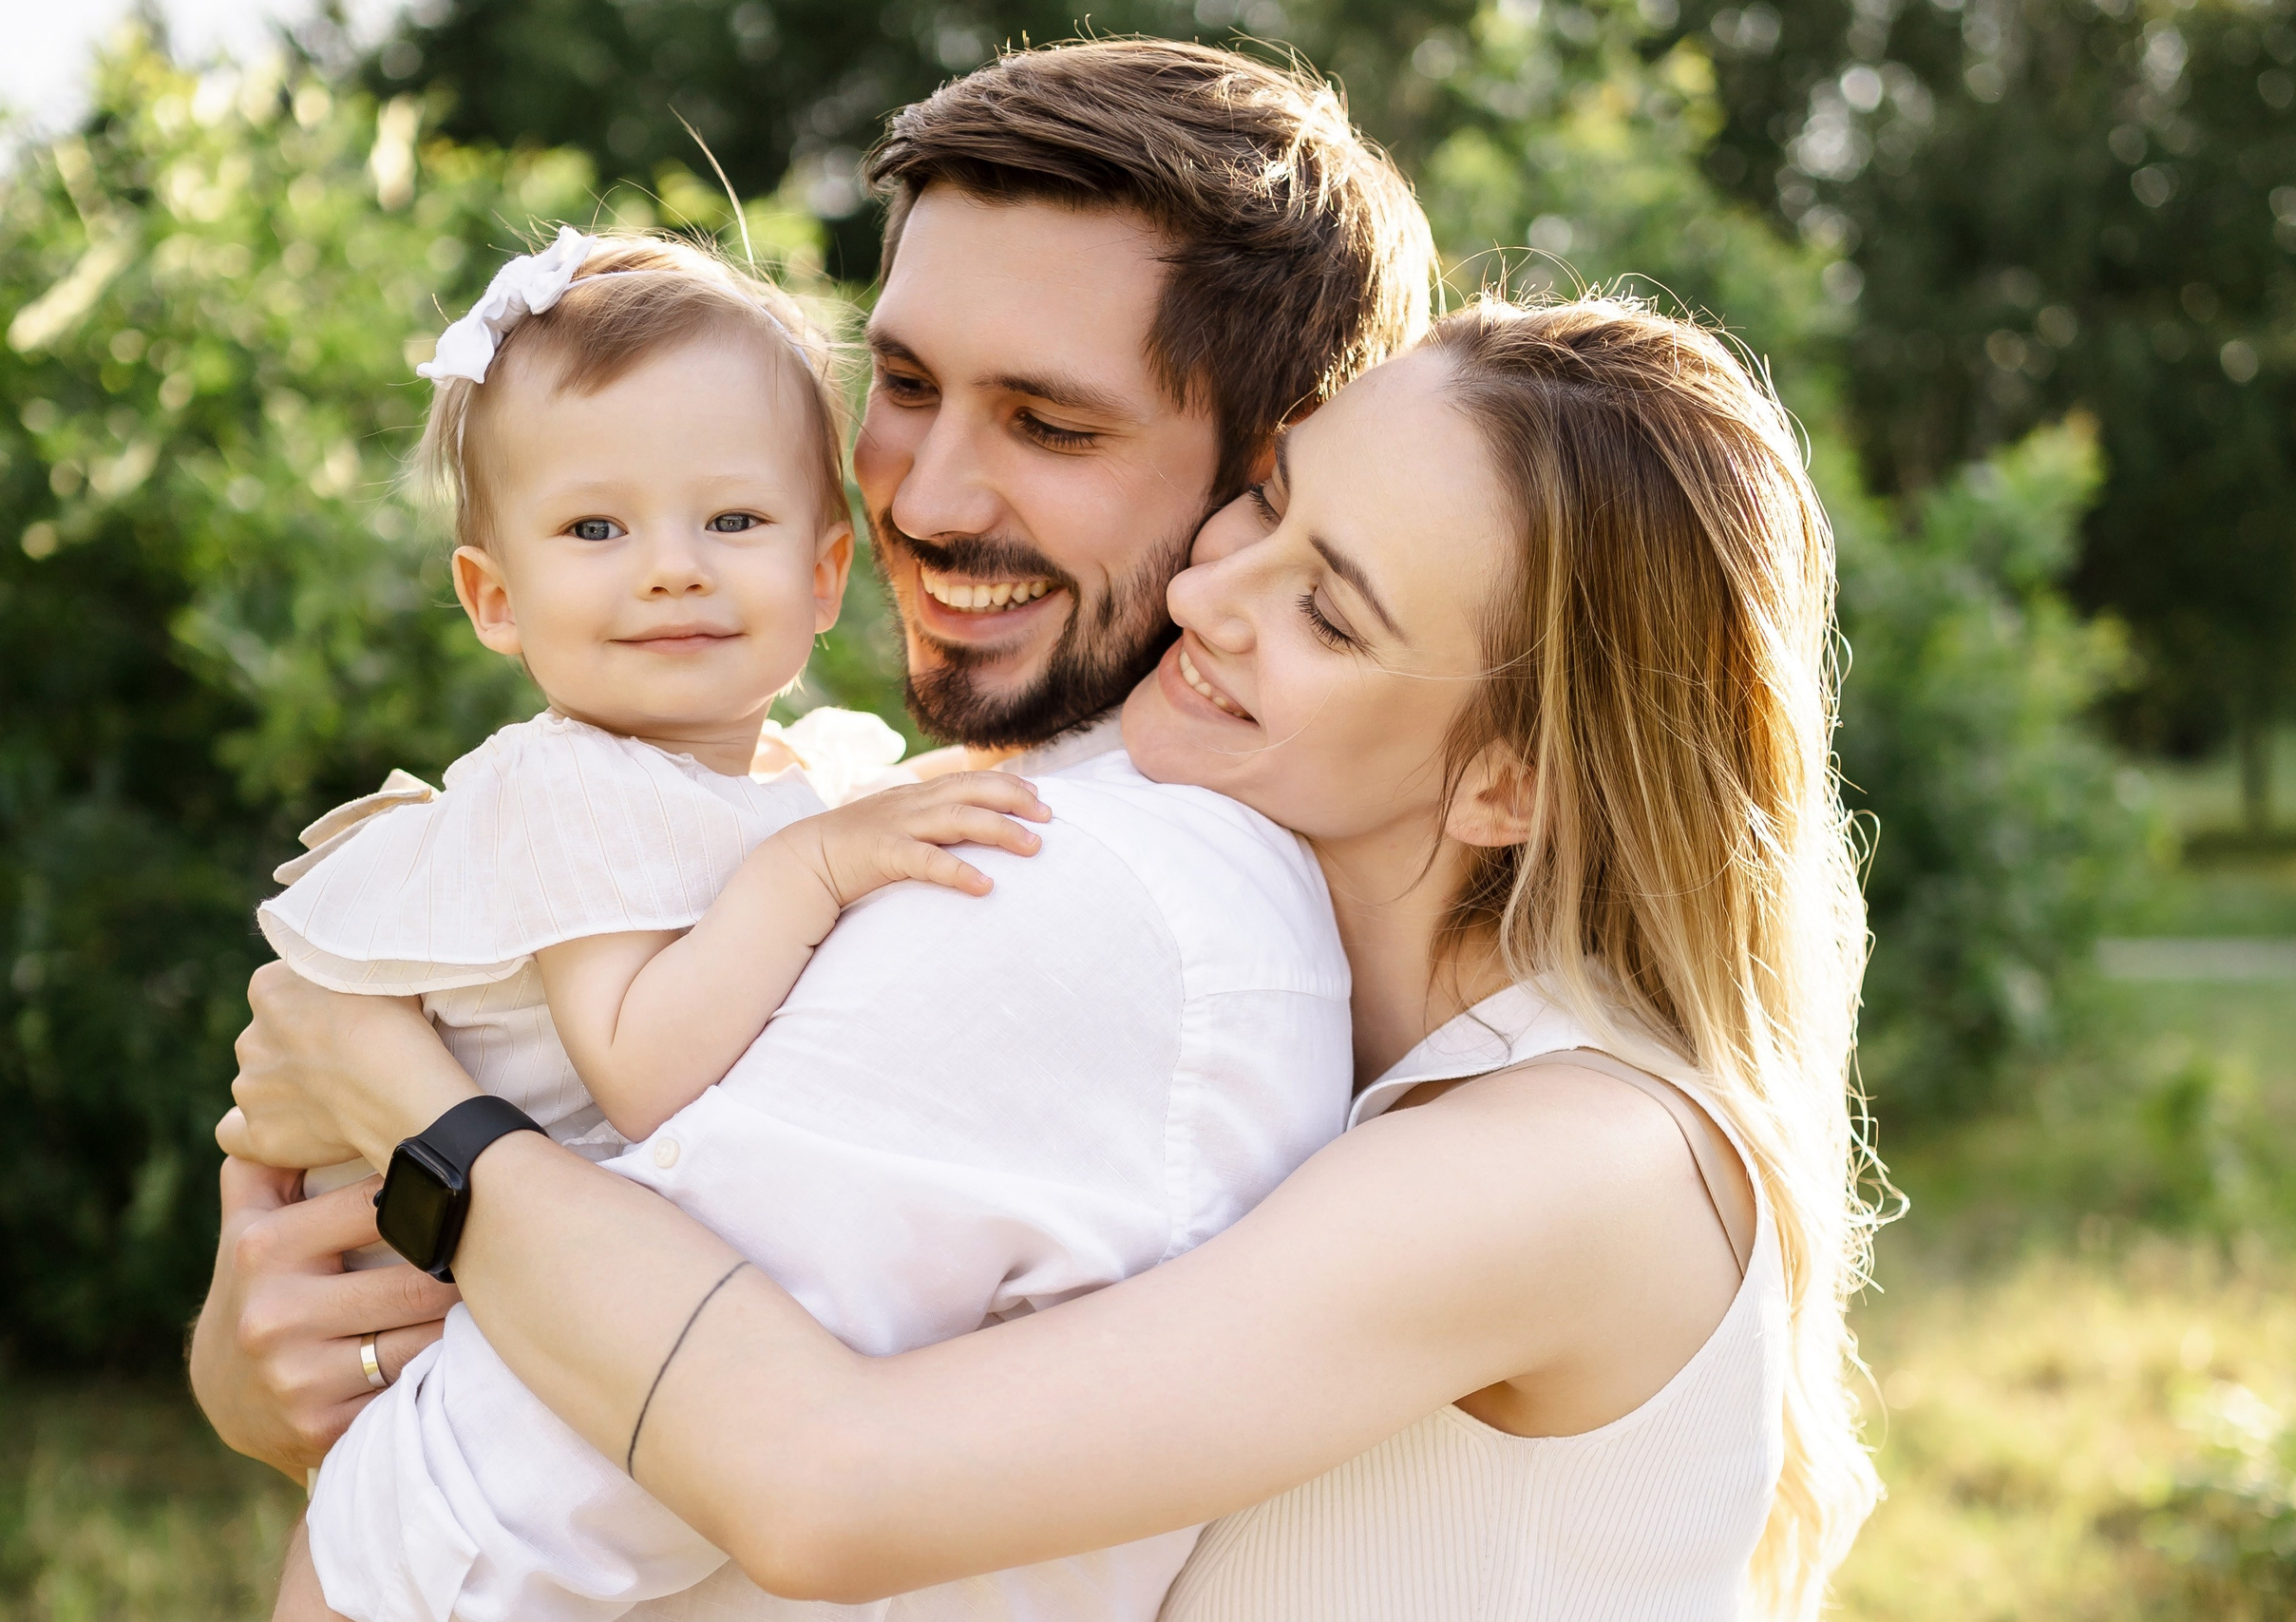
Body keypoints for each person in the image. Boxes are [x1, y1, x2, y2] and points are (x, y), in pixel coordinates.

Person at [230, 296, 1884, 1621]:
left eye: (1330, 610)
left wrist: (404, 1101)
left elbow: (826, 1483)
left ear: (1509, 778)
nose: (1215, 588)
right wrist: (269, 1356)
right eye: (1267, 506)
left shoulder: (1573, 1158)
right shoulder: (1266, 1002)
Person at [194, 36, 1435, 1622]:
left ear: (1274, 476)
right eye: (905, 385)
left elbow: (503, 1512)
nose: (925, 493)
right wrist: (273, 1352)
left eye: (1051, 425)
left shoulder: (1068, 893)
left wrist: (400, 1113)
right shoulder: (920, 804)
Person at [257, 226, 1047, 1255]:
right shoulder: (571, 789)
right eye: (595, 529)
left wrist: (1019, 765)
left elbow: (867, 813)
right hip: (459, 1285)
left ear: (822, 575)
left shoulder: (786, 772)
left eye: (730, 520)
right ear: (495, 599)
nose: (672, 568)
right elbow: (639, 1072)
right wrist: (811, 869)